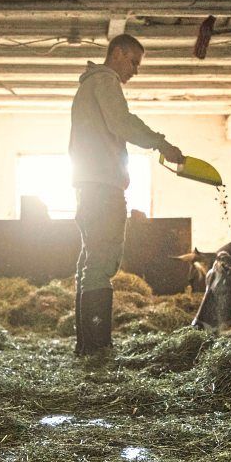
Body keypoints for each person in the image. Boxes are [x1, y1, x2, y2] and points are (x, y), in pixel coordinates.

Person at [68, 34, 184, 355]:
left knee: (90, 263)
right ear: (117, 53)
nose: (135, 70)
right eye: (133, 61)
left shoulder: (87, 86)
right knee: (102, 263)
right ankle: (97, 348)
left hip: (89, 186)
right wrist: (160, 143)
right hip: (103, 188)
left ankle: (87, 346)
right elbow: (122, 122)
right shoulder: (105, 81)